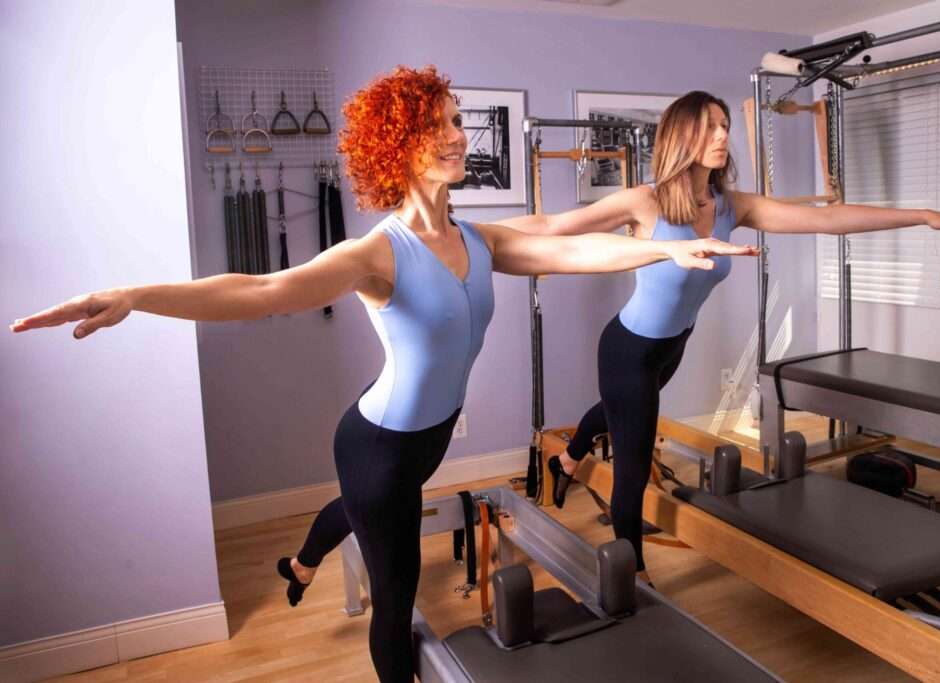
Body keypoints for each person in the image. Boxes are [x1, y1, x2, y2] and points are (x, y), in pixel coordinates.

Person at [10, 68, 758, 683]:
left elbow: (570, 254)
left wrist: (664, 253)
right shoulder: (378, 252)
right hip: (375, 444)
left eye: (457, 119)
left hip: (419, 443)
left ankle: (301, 564)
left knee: (362, 513)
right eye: (439, 125)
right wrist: (137, 297)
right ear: (399, 145)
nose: (459, 134)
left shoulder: (474, 236)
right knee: (394, 597)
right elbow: (261, 289)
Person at [498, 90, 940, 584]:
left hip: (673, 345)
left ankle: (565, 458)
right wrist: (460, 235)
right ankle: (633, 577)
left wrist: (920, 216)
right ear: (683, 136)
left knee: (617, 412)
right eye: (712, 127)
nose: (723, 136)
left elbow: (825, 221)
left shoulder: (729, 206)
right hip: (628, 347)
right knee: (632, 464)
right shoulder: (645, 202)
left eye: (725, 126)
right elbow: (551, 224)